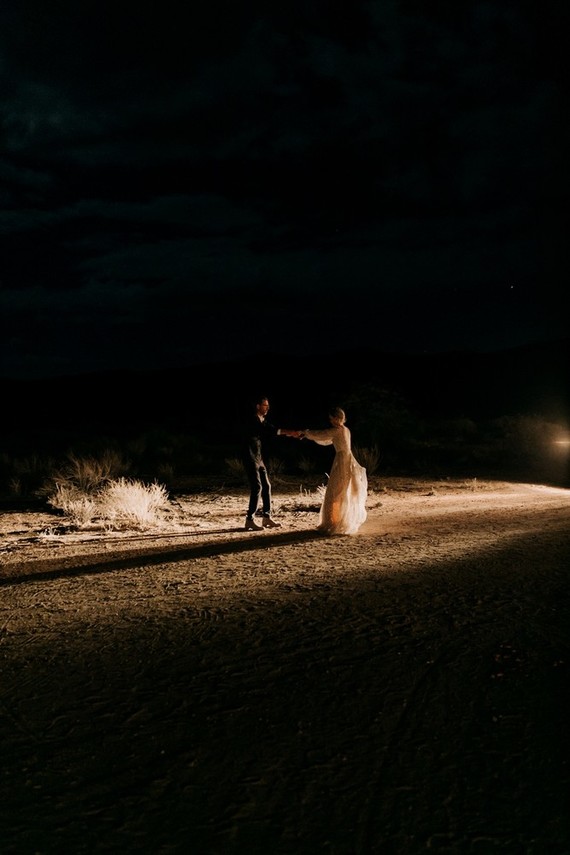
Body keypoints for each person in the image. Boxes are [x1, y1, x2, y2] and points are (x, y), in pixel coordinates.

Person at [300, 407, 367, 535]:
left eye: (332, 419)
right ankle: (337, 520)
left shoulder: (337, 431)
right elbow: (326, 439)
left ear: (337, 418)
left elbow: (321, 434)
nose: (330, 421)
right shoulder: (346, 430)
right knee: (342, 491)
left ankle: (334, 522)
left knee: (335, 493)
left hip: (342, 461)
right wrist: (308, 435)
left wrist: (306, 433)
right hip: (348, 459)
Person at [242, 396, 300, 531]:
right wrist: (289, 432)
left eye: (268, 405)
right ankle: (249, 520)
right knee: (257, 487)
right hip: (249, 456)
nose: (267, 408)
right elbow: (269, 431)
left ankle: (266, 517)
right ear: (258, 406)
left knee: (266, 486)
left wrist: (291, 433)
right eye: (264, 405)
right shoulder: (252, 420)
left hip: (258, 457)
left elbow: (273, 429)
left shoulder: (262, 420)